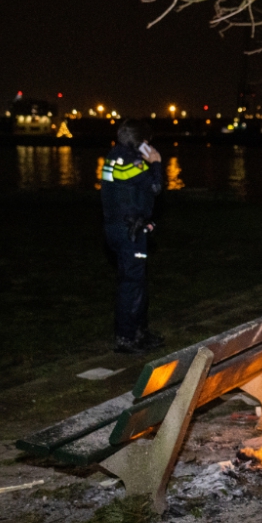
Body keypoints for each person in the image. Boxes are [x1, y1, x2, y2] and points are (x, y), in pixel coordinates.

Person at [101, 119, 165, 354]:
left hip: (120, 227)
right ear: (141, 142)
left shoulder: (114, 156)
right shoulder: (132, 162)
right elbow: (155, 187)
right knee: (131, 284)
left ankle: (139, 332)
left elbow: (128, 193)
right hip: (129, 231)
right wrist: (156, 164)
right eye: (147, 142)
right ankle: (126, 338)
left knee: (135, 282)